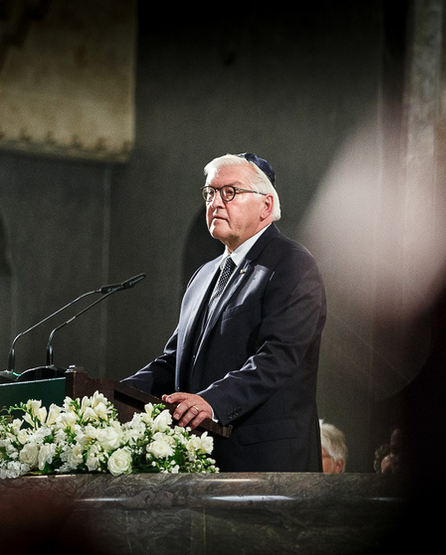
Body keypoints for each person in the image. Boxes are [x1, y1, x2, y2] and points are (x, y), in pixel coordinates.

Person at [123, 153, 326, 472]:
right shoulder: (203, 275)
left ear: (266, 206)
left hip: (266, 465)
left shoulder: (290, 264)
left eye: (230, 192)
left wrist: (212, 402)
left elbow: (278, 357)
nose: (216, 202)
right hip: (202, 459)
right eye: (209, 192)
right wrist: (112, 394)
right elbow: (174, 363)